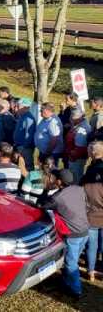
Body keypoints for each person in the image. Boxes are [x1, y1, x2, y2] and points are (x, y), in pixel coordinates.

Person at [40, 169, 89, 300]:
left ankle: (75, 290)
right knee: (74, 259)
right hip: (85, 230)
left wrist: (47, 188)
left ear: (59, 182)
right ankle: (67, 281)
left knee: (70, 263)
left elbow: (41, 205)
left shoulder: (57, 197)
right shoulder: (79, 189)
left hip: (73, 234)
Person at [82, 142, 103, 282]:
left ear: (92, 153)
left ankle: (91, 272)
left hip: (91, 215)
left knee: (92, 245)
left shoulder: (87, 175)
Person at [36, 102, 64, 167]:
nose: (40, 111)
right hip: (45, 151)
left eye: (41, 110)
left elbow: (54, 140)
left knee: (49, 172)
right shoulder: (45, 118)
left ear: (47, 111)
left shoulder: (53, 122)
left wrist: (47, 153)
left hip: (51, 153)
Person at [14, 98, 37, 170]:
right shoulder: (22, 116)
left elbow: (29, 135)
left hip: (25, 148)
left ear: (26, 107)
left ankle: (31, 181)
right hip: (20, 146)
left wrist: (24, 148)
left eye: (18, 107)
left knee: (27, 166)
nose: (16, 109)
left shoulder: (29, 118)